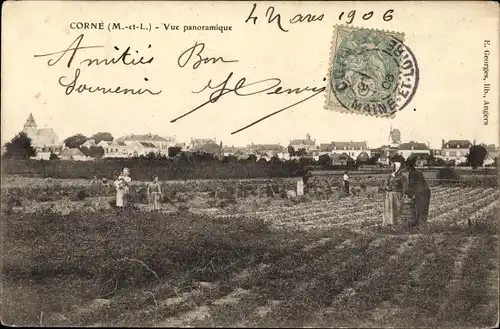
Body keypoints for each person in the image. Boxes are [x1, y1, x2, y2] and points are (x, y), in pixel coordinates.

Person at [406, 156, 431, 226]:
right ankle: (420, 224)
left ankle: (421, 226)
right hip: (425, 191)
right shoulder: (417, 172)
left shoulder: (412, 173)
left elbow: (411, 185)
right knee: (423, 209)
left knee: (421, 209)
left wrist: (408, 195)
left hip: (421, 192)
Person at [383, 161, 407, 226]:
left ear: (397, 168)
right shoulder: (390, 176)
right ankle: (389, 222)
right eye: (392, 167)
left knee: (397, 208)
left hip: (397, 194)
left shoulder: (402, 177)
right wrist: (386, 187)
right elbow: (385, 183)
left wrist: (404, 194)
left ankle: (396, 223)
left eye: (393, 167)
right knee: (389, 208)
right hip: (389, 194)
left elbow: (404, 186)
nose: (392, 169)